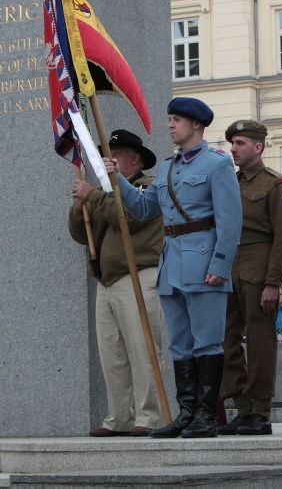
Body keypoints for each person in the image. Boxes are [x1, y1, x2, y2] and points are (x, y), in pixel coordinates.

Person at [108, 97, 241, 439]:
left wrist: (221, 265)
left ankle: (206, 416)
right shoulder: (167, 168)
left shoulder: (217, 165)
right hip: (172, 265)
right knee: (180, 345)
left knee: (207, 343)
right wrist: (117, 179)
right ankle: (187, 413)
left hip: (204, 261)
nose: (170, 125)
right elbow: (141, 207)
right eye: (169, 119)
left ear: (197, 124)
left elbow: (230, 220)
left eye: (177, 119)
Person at [69, 129, 165, 438]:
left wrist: (93, 197)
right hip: (108, 281)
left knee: (142, 351)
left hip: (138, 276)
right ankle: (119, 417)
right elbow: (79, 233)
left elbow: (129, 217)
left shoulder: (146, 188)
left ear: (134, 159)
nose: (105, 160)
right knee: (113, 356)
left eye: (114, 154)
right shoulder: (105, 193)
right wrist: (79, 205)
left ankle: (148, 416)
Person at [219, 120, 282, 436]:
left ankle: (260, 410)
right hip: (230, 267)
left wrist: (273, 282)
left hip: (258, 268)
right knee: (225, 338)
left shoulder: (274, 184)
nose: (233, 149)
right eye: (232, 143)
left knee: (261, 341)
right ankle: (242, 405)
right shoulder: (230, 183)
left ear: (258, 147)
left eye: (239, 143)